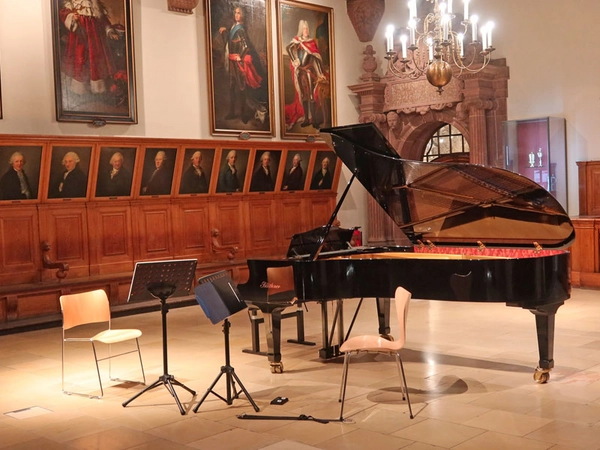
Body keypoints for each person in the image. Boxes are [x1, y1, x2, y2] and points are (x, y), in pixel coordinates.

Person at [58, 0, 121, 100]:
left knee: (95, 61)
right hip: (79, 38)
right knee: (80, 60)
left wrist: (110, 32)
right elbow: (64, 14)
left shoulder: (95, 5)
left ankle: (97, 90)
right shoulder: (72, 3)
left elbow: (103, 21)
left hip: (95, 40)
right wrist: (71, 17)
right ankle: (79, 91)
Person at [218, 6, 268, 124]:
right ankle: (232, 112)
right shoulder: (234, 27)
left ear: (242, 15)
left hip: (239, 63)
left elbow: (245, 46)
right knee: (232, 87)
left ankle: (243, 114)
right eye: (235, 13)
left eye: (239, 13)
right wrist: (225, 31)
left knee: (242, 88)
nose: (236, 15)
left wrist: (239, 56)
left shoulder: (240, 29)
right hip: (232, 62)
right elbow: (230, 44)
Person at [285, 20, 328, 130]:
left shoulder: (312, 42)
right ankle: (306, 119)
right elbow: (288, 48)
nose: (306, 30)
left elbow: (316, 59)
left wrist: (320, 74)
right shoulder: (297, 42)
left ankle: (313, 120)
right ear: (301, 30)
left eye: (307, 28)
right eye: (304, 28)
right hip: (300, 71)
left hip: (309, 72)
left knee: (311, 95)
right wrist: (295, 60)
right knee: (303, 95)